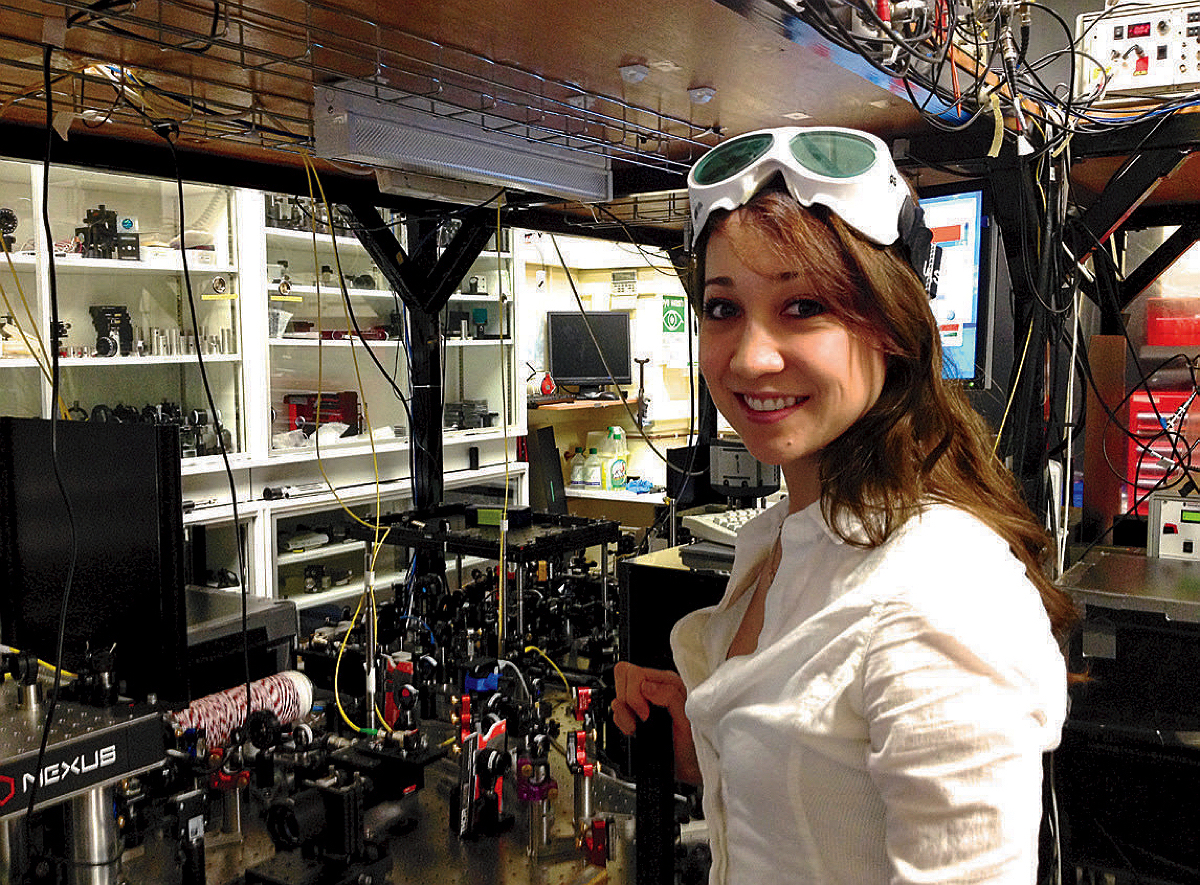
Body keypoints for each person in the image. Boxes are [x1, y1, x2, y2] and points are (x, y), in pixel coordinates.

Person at [611, 127, 1076, 884]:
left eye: (803, 305)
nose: (751, 356)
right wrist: (704, 733)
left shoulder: (938, 600)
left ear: (892, 324)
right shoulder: (784, 539)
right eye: (724, 308)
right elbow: (822, 795)